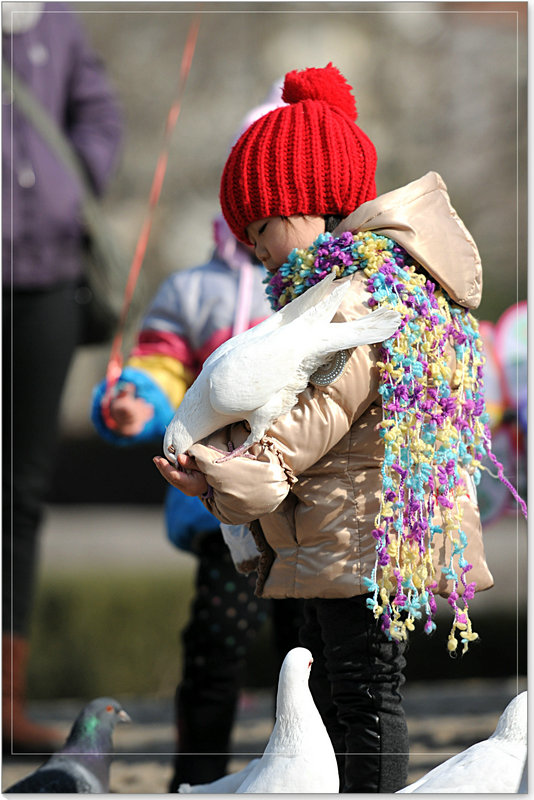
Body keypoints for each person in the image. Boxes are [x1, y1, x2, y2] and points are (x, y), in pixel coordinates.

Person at [154, 63, 497, 793]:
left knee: (364, 700)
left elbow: (323, 414)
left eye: (261, 225)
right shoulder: (339, 291)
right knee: (342, 699)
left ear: (309, 203)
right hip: (345, 530)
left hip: (363, 533)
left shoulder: (356, 296)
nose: (254, 247)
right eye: (245, 235)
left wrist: (234, 474)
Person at [91, 207, 304, 787]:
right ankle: (194, 781)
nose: (261, 230)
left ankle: (312, 776)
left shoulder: (319, 283)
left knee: (308, 651)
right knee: (215, 646)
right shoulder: (191, 291)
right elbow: (159, 368)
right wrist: (136, 397)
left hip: (304, 507)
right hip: (223, 516)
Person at [2, 1, 123, 753]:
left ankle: (4, 696)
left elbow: (99, 112)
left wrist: (71, 186)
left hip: (47, 280)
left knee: (23, 487)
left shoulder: (56, 20)